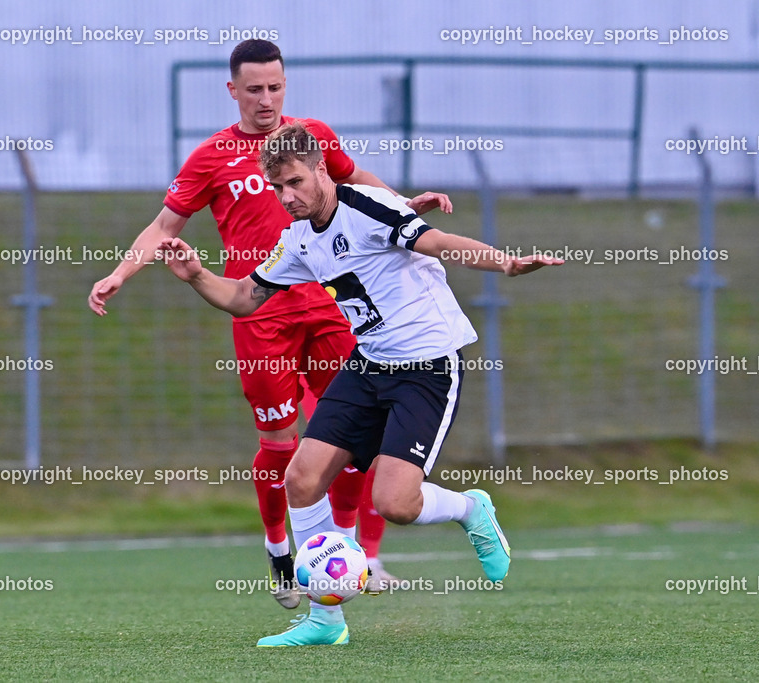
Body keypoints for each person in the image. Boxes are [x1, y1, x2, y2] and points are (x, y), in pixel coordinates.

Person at [160, 122, 564, 647]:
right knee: (302, 479)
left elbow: (438, 241)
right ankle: (325, 622)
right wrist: (196, 274)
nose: (287, 197)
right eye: (278, 188)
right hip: (368, 363)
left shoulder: (368, 206)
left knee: (396, 503)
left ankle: (472, 509)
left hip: (426, 366)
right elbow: (244, 298)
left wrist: (505, 263)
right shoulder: (297, 239)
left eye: (296, 182)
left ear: (321, 170)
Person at [88, 40, 451, 606]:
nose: (266, 99)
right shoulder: (211, 157)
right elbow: (163, 227)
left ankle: (350, 553)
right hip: (260, 314)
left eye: (275, 87)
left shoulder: (311, 138)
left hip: (333, 307)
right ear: (232, 90)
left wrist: (405, 207)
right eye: (254, 89)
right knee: (281, 444)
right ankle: (280, 549)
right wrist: (120, 273)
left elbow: (356, 181)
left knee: (355, 439)